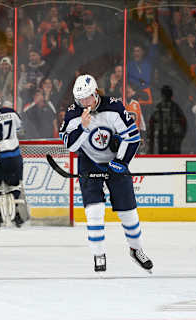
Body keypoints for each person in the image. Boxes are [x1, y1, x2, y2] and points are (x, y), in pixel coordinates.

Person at [59, 74, 153, 273]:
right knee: (94, 212)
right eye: (80, 100)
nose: (84, 103)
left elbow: (133, 138)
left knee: (128, 212)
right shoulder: (73, 114)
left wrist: (120, 162)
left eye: (87, 98)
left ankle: (136, 250)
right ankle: (98, 253)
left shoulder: (114, 107)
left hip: (114, 161)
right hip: (89, 162)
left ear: (95, 93)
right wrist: (83, 128)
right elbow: (71, 146)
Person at [0, 94, 28, 228]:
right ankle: (19, 217)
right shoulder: (11, 112)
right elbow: (20, 129)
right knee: (15, 186)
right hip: (14, 156)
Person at [147, 85, 187, 154]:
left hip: (170, 142)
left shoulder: (172, 108)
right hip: (166, 142)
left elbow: (151, 126)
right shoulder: (174, 107)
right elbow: (151, 125)